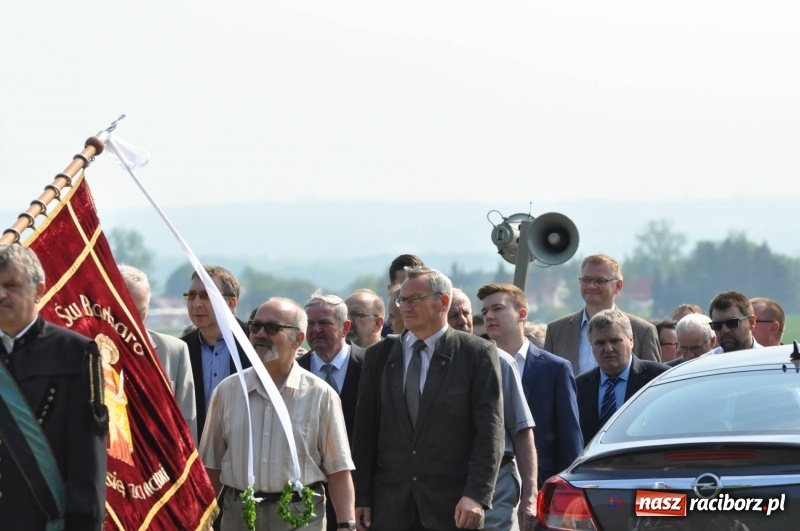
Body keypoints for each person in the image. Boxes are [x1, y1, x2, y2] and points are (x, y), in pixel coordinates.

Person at [353, 267, 504, 531]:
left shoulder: (475, 354)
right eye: (402, 300)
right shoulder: (379, 356)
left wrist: (476, 494)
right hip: (390, 507)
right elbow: (364, 432)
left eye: (414, 299)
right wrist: (361, 495)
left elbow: (490, 433)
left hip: (452, 508)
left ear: (443, 302)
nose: (405, 307)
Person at [200, 297, 356, 530]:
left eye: (272, 328)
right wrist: (200, 520)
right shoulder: (227, 391)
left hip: (300, 516)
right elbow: (211, 466)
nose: (260, 334)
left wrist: (346, 525)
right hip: (240, 515)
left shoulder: (321, 395)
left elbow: (338, 470)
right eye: (255, 326)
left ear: (298, 339)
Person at [0, 244, 108, 529]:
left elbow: (87, 459)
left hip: (42, 521)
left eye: (11, 285)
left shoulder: (74, 352)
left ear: (39, 290)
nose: (1, 295)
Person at [477, 283, 583, 489]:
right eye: (484, 311)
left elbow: (569, 437)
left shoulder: (555, 368)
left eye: (497, 308)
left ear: (522, 314)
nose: (489, 316)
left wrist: (568, 491)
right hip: (488, 484)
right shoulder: (477, 365)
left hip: (542, 484)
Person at [448, 288, 538, 529]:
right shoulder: (429, 365)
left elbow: (522, 432)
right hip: (447, 483)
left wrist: (530, 494)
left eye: (466, 313)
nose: (462, 320)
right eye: (453, 315)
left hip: (498, 482)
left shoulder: (500, 362)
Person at [298, 291, 364, 531]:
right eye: (310, 323)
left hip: (360, 494)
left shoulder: (371, 365)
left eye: (324, 323)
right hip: (307, 498)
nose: (316, 330)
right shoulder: (295, 371)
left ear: (346, 327)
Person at [119, 264, 198, 443]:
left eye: (140, 313)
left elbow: (187, 423)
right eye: (125, 311)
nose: (132, 320)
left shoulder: (174, 351)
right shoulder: (87, 349)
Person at [544, 254, 661, 375]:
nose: (591, 286)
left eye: (600, 281)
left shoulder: (643, 331)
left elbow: (653, 380)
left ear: (618, 286)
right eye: (586, 280)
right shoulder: (556, 331)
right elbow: (547, 378)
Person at [576, 309, 670, 444]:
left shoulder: (660, 378)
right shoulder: (579, 387)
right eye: (600, 343)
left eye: (615, 341)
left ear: (631, 341)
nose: (608, 349)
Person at [180, 265, 251, 440]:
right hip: (196, 449)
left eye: (206, 296)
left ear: (231, 303)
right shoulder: (181, 349)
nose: (197, 304)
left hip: (244, 448)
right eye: (191, 296)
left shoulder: (255, 345)